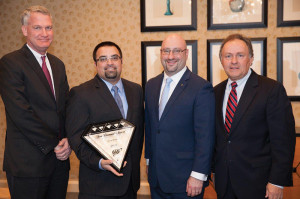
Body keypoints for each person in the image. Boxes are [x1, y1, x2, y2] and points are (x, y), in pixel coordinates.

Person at [0, 5, 71, 199]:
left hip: (59, 162)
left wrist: (68, 140)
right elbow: (21, 113)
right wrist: (54, 144)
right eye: (37, 28)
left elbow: (65, 108)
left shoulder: (57, 64)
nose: (45, 33)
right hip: (28, 165)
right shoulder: (10, 63)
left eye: (48, 27)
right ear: (24, 31)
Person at [213, 34, 296, 199]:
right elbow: (218, 138)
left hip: (260, 185)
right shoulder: (215, 92)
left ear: (251, 59)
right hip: (224, 184)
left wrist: (277, 182)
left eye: (240, 55)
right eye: (228, 56)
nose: (234, 61)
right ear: (221, 61)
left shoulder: (271, 90)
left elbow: (283, 141)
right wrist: (214, 171)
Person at [66, 41, 144, 199]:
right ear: (95, 64)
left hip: (130, 183)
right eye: (103, 59)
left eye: (114, 57)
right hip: (98, 184)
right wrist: (99, 162)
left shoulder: (136, 90)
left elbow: (139, 132)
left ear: (121, 61)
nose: (110, 63)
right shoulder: (80, 94)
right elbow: (76, 138)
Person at [144, 34, 215, 199]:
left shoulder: (201, 87)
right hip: (157, 177)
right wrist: (149, 160)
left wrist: (198, 175)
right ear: (160, 53)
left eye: (176, 51)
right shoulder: (151, 85)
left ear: (186, 53)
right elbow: (150, 126)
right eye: (166, 51)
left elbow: (205, 136)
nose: (170, 57)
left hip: (186, 180)